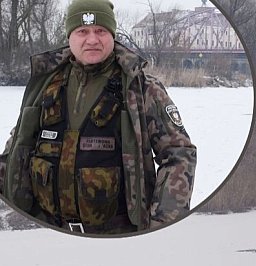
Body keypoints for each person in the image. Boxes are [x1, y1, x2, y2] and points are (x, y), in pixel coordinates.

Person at [0, 0, 196, 235]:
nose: (92, 40)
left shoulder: (141, 89)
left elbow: (179, 155)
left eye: (100, 31)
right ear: (70, 36)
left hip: (118, 235)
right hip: (46, 231)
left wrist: (162, 225)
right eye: (82, 31)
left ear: (112, 34)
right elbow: (15, 152)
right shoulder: (43, 85)